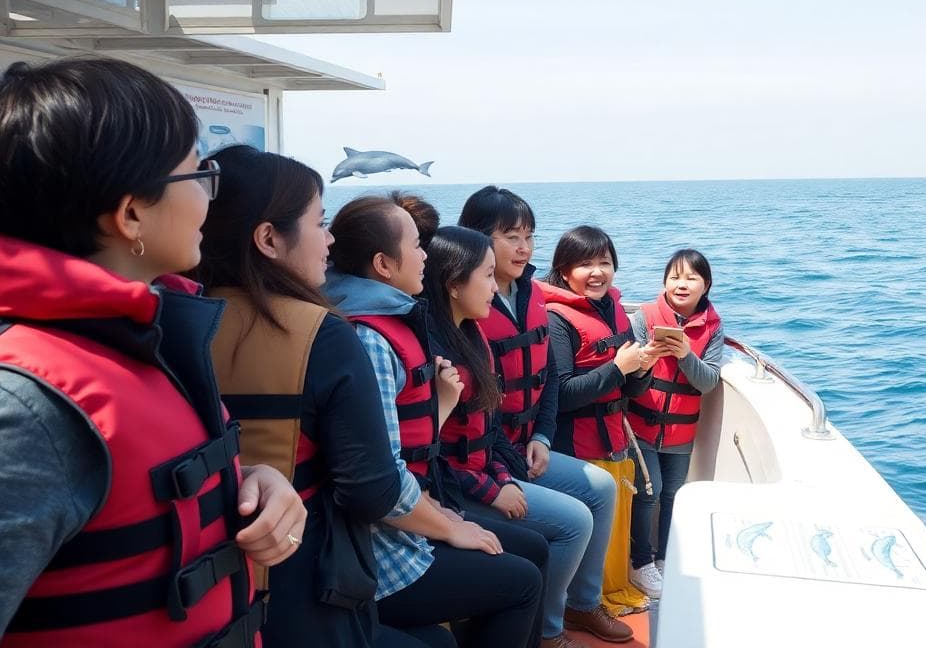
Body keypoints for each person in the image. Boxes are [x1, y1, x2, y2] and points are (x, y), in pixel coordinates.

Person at [0, 58, 303, 646]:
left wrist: (250, 480)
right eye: (198, 174)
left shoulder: (128, 337)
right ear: (132, 211)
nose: (208, 197)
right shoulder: (26, 407)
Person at [197, 146, 412, 646]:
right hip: (306, 586)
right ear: (269, 238)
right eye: (320, 222)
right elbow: (372, 491)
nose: (330, 240)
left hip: (207, 585)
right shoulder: (324, 335)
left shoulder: (172, 323)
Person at [324, 195, 544, 648]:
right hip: (380, 551)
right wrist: (451, 525)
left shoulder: (398, 322)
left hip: (414, 511)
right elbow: (380, 476)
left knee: (531, 551)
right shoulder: (370, 340)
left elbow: (404, 445)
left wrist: (441, 406)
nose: (426, 252)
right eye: (415, 245)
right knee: (521, 581)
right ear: (384, 264)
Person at [457, 187, 627, 645]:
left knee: (603, 488)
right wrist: (510, 469)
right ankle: (547, 632)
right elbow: (471, 417)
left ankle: (582, 605)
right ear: (475, 240)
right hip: (488, 463)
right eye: (511, 236)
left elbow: (549, 376)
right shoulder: (463, 306)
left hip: (527, 446)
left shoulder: (530, 291)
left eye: (529, 236)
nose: (524, 248)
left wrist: (545, 436)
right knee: (575, 520)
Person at [539, 225, 660, 616]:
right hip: (575, 446)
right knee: (582, 532)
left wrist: (643, 368)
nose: (597, 272)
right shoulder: (556, 318)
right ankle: (578, 606)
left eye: (604, 262)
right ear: (563, 270)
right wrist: (617, 367)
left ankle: (600, 598)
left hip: (614, 441)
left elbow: (630, 391)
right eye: (584, 264)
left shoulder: (613, 310)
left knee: (611, 534)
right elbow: (561, 395)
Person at [627, 249, 723, 597]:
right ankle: (640, 563)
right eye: (675, 277)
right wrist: (646, 356)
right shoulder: (645, 317)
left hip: (682, 431)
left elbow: (709, 381)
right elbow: (631, 373)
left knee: (673, 496)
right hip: (641, 426)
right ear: (664, 282)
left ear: (705, 285)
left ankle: (666, 560)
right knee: (648, 493)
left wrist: (685, 354)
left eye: (691, 278)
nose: (681, 284)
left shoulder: (712, 326)